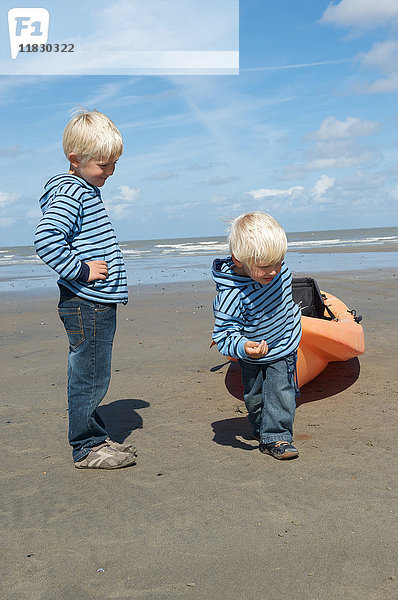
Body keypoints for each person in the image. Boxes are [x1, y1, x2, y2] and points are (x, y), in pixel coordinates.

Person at [34, 109, 137, 469]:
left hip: (94, 302)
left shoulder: (84, 188)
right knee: (89, 374)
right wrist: (81, 270)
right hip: (86, 301)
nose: (110, 172)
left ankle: (93, 433)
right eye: (104, 165)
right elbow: (47, 240)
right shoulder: (71, 192)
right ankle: (86, 447)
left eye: (114, 165)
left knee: (93, 371)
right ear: (75, 160)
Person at [212, 212, 302, 460]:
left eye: (279, 262)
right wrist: (243, 346)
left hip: (283, 344)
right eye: (265, 267)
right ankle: (261, 428)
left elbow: (284, 300)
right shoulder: (231, 297)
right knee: (255, 397)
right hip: (251, 352)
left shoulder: (279, 270)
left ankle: (277, 437)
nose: (274, 272)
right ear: (238, 260)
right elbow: (223, 335)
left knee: (281, 392)